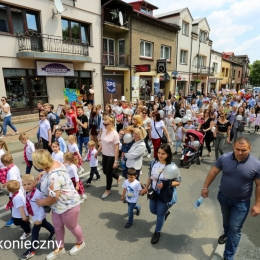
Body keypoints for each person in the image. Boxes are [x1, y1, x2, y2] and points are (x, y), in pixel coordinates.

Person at [201, 137, 260, 260]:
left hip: (241, 203)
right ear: (233, 147)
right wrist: (205, 187)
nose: (239, 152)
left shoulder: (256, 165)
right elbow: (213, 172)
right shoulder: (224, 158)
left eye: (243, 150)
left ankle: (228, 256)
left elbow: (259, 184)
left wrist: (257, 204)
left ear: (250, 149)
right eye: (237, 149)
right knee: (226, 220)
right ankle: (226, 234)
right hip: (223, 197)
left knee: (235, 228)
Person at [33, 150, 85, 259]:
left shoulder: (53, 177)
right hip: (58, 206)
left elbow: (53, 198)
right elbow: (51, 171)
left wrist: (41, 202)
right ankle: (60, 247)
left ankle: (80, 242)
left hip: (69, 205)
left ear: (40, 164)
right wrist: (43, 173)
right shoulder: (55, 162)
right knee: (57, 226)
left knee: (72, 226)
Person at [141, 144, 181, 244]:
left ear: (168, 154)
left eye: (163, 154)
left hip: (165, 194)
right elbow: (150, 176)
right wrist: (146, 187)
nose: (160, 155)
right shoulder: (153, 162)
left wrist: (165, 184)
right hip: (154, 191)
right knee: (153, 210)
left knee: (159, 215)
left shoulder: (172, 166)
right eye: (159, 153)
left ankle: (157, 232)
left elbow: (179, 182)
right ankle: (165, 213)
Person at [19, 174, 55, 260]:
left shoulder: (38, 195)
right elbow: (28, 204)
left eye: (29, 184)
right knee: (45, 223)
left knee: (34, 232)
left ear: (34, 183)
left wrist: (39, 220)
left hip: (39, 216)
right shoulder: (27, 193)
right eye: (24, 185)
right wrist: (27, 215)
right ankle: (54, 231)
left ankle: (31, 250)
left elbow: (42, 209)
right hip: (35, 216)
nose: (26, 186)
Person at [95, 116, 121, 199]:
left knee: (108, 174)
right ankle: (117, 177)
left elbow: (116, 147)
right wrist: (98, 152)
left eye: (106, 124)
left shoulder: (115, 134)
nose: (105, 126)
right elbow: (102, 143)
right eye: (104, 124)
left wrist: (116, 161)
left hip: (111, 156)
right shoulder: (104, 131)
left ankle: (107, 189)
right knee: (105, 171)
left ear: (111, 124)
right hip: (104, 154)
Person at [1, 153, 22, 226]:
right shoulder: (14, 166)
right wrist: (5, 184)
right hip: (17, 189)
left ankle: (15, 219)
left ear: (5, 163)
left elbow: (13, 183)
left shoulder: (11, 172)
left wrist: (11, 192)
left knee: (13, 205)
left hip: (14, 191)